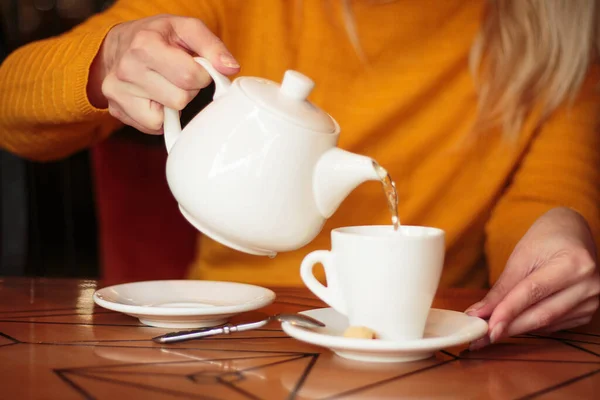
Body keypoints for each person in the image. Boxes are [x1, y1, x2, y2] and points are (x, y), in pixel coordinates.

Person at [0, 0, 598, 349]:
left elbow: (545, 197)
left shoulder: (560, 33)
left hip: (416, 345)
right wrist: (107, 58)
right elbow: (11, 107)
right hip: (225, 329)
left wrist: (561, 231)